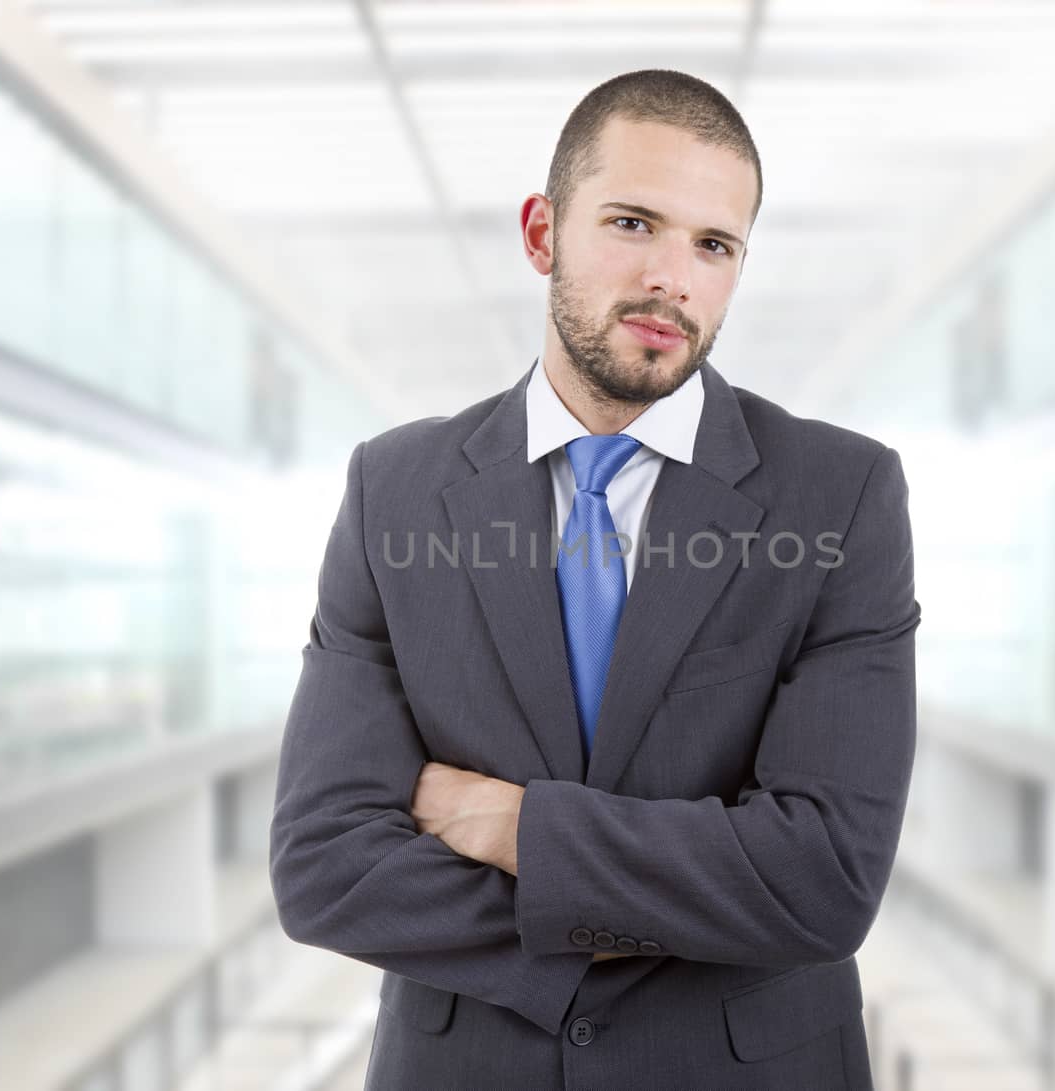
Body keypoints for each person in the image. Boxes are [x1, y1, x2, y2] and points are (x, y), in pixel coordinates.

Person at [269, 67, 920, 1091]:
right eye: (631, 223)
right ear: (540, 234)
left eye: (714, 244)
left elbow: (825, 879)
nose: (674, 277)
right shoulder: (395, 490)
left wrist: (505, 823)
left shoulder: (839, 497)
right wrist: (678, 901)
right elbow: (324, 867)